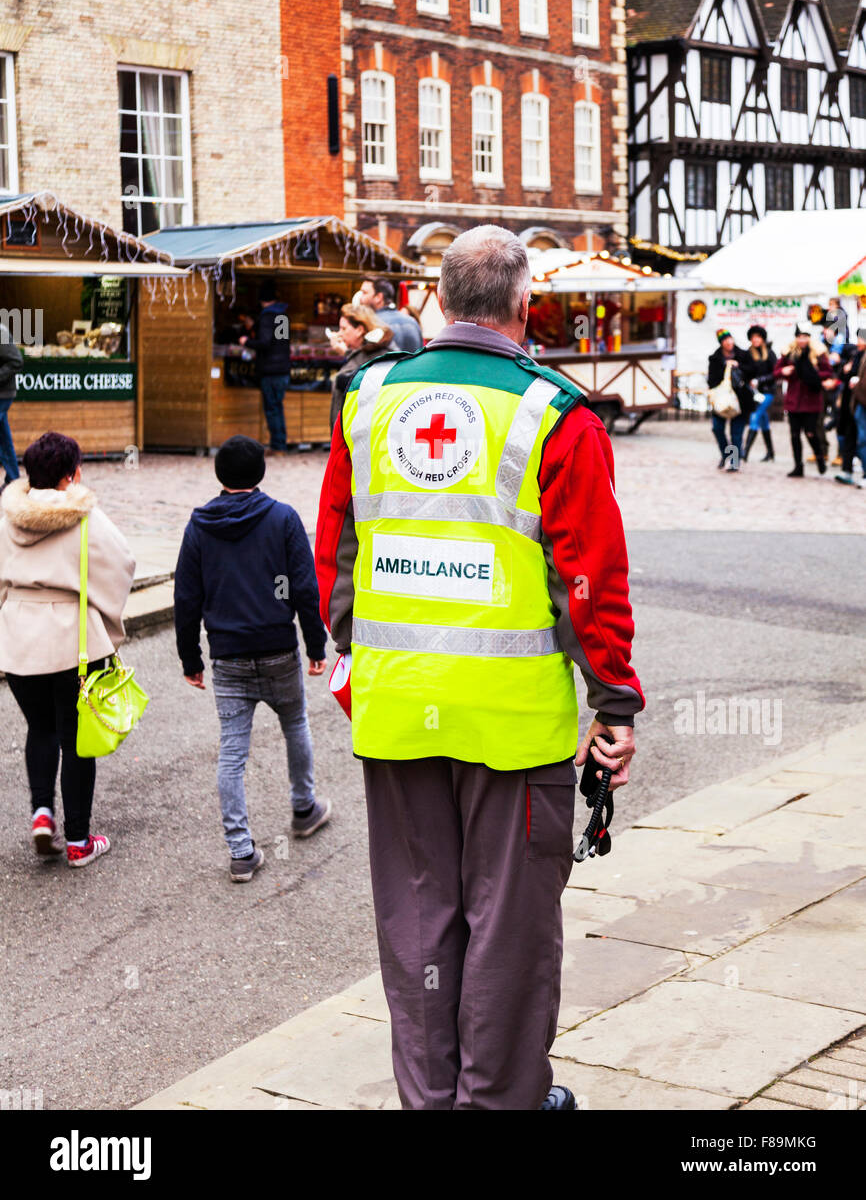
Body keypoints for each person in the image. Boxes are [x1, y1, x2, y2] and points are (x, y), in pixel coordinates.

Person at [315, 224, 643, 1110]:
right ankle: (498, 1101)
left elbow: (336, 550)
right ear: (524, 307)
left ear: (439, 301)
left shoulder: (368, 398)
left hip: (396, 708)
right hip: (513, 721)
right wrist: (613, 702)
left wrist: (357, 651)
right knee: (509, 929)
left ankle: (430, 1102)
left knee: (418, 921)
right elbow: (588, 580)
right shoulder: (553, 414)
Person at [174, 435, 331, 883]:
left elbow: (186, 597)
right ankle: (304, 807)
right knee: (295, 724)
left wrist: (191, 659)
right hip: (279, 647)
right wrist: (314, 646)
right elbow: (303, 586)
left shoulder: (199, 526)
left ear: (220, 475)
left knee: (232, 751)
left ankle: (241, 852)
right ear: (260, 472)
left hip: (228, 656)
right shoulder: (282, 518)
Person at [0, 432, 135, 866]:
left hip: (20, 637)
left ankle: (42, 813)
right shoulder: (85, 516)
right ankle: (78, 841)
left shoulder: (6, 518)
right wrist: (100, 611)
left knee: (40, 728)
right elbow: (122, 564)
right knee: (77, 739)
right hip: (74, 641)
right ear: (71, 475)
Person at [774, 324, 837, 478]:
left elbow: (828, 371)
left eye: (805, 336)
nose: (802, 339)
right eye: (799, 336)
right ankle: (798, 466)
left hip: (811, 399)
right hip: (794, 400)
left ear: (809, 338)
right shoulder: (789, 353)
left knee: (810, 432)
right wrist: (783, 371)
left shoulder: (818, 352)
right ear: (796, 338)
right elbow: (776, 372)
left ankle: (819, 457)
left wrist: (814, 374)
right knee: (794, 434)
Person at [239, 280, 293, 453]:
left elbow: (265, 342)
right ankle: (281, 443)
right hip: (283, 368)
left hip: (270, 370)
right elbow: (281, 340)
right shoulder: (282, 315)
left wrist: (246, 341)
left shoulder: (267, 316)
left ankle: (277, 446)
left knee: (272, 409)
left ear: (262, 300)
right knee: (278, 407)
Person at [329, 304, 393, 432]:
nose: (339, 334)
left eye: (343, 328)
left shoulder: (377, 354)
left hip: (359, 437)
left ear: (359, 330)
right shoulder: (367, 351)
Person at [706, 330, 754, 470]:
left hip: (740, 400)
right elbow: (712, 380)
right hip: (722, 399)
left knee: (736, 433)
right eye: (725, 340)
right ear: (721, 343)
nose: (729, 342)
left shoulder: (743, 355)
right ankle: (726, 453)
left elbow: (752, 370)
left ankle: (734, 462)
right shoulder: (715, 358)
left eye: (730, 339)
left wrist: (738, 366)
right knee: (717, 428)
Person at [835, 327, 866, 487]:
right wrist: (845, 370)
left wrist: (856, 384)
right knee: (849, 437)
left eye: (861, 339)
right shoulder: (856, 355)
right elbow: (843, 375)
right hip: (850, 404)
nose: (858, 342)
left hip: (861, 403)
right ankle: (847, 470)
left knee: (862, 440)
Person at [742, 326, 777, 462]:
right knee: (764, 421)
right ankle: (771, 452)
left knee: (755, 416)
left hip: (767, 391)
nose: (755, 340)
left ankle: (745, 453)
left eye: (758, 337)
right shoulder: (748, 354)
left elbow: (775, 373)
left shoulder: (769, 353)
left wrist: (760, 380)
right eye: (753, 337)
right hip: (754, 393)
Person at [358, 277, 423, 352]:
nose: (360, 297)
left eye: (364, 293)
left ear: (378, 297)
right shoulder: (413, 323)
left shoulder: (372, 324)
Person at [0, 322, 22, 490]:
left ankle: (13, 479)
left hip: (3, 394)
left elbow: (16, 361)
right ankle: (13, 478)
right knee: (4, 438)